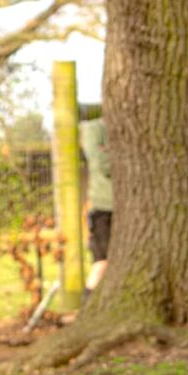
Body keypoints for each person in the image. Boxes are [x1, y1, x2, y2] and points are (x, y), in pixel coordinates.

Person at [79, 118, 112, 301]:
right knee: (101, 264)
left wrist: (108, 152)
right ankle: (86, 308)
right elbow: (101, 163)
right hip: (103, 209)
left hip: (125, 210)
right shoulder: (94, 128)